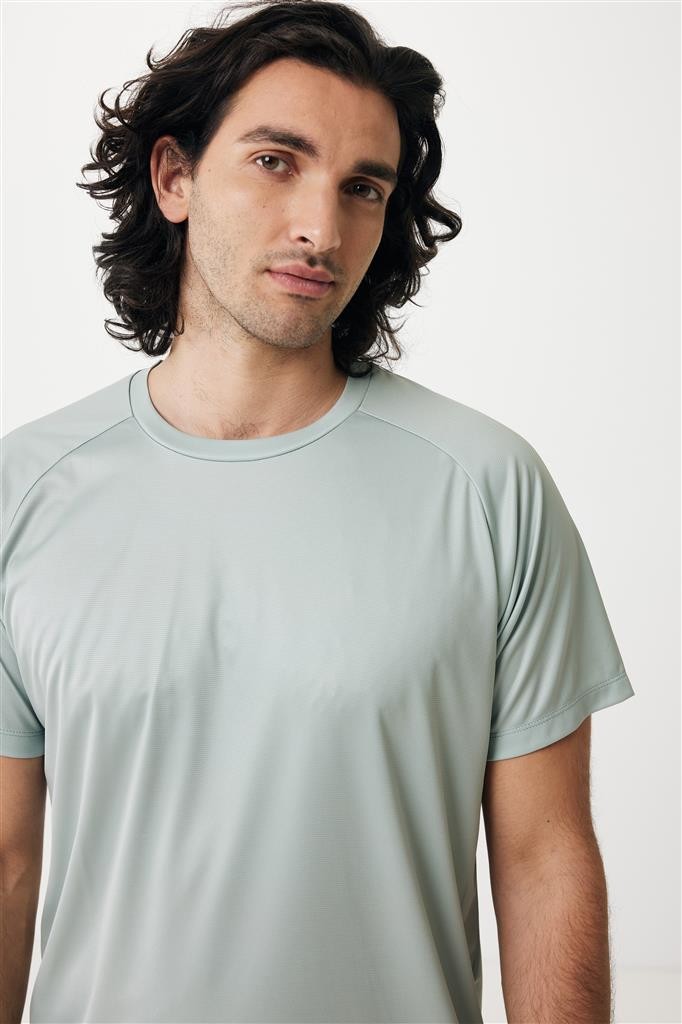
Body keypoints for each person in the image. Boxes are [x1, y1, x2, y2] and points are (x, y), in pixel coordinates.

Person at [0, 1, 635, 1021]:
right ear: (173, 177)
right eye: (275, 161)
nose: (320, 228)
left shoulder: (488, 486)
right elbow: (5, 860)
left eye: (362, 188)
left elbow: (543, 856)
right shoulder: (22, 493)